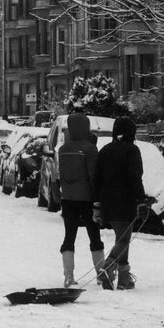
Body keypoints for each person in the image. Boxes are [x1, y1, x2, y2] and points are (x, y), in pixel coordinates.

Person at [93, 115, 151, 289]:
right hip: (125, 200)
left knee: (121, 237)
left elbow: (97, 178)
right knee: (124, 239)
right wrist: (141, 198)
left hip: (107, 201)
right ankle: (107, 268)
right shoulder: (132, 151)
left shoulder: (105, 150)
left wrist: (97, 203)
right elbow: (135, 177)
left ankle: (124, 279)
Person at [55, 112, 107, 288]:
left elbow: (60, 176)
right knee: (94, 236)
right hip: (87, 199)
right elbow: (94, 176)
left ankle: (68, 276)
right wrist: (98, 201)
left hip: (68, 198)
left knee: (69, 236)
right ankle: (101, 274)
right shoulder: (90, 149)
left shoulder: (63, 149)